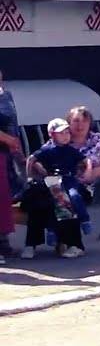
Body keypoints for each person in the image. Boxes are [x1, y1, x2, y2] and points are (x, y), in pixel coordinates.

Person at [24, 118, 91, 258]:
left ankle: (74, 244)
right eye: (61, 133)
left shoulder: (71, 150)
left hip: (69, 183)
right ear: (51, 134)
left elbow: (85, 161)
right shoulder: (46, 149)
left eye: (67, 132)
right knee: (39, 201)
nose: (66, 135)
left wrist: (87, 173)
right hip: (51, 183)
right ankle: (32, 244)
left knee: (69, 201)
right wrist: (31, 176)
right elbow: (32, 160)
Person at [0, 70, 20, 260]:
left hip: (4, 153)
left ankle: (3, 242)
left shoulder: (5, 94)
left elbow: (13, 121)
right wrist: (7, 138)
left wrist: (16, 144)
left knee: (5, 197)